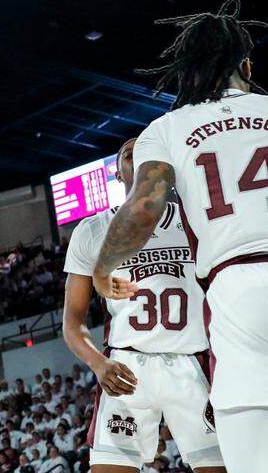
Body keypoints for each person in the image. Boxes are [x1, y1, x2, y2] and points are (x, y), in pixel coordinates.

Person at [91, 0, 268, 471]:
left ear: (187, 73)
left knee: (251, 449)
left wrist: (103, 269)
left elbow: (143, 209)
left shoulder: (168, 128)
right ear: (246, 66)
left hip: (235, 290)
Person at [63, 137, 224, 472]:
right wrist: (98, 364)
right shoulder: (91, 230)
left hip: (194, 360)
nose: (137, 155)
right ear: (118, 173)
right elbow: (73, 320)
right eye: (128, 153)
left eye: (145, 150)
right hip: (126, 365)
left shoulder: (196, 219)